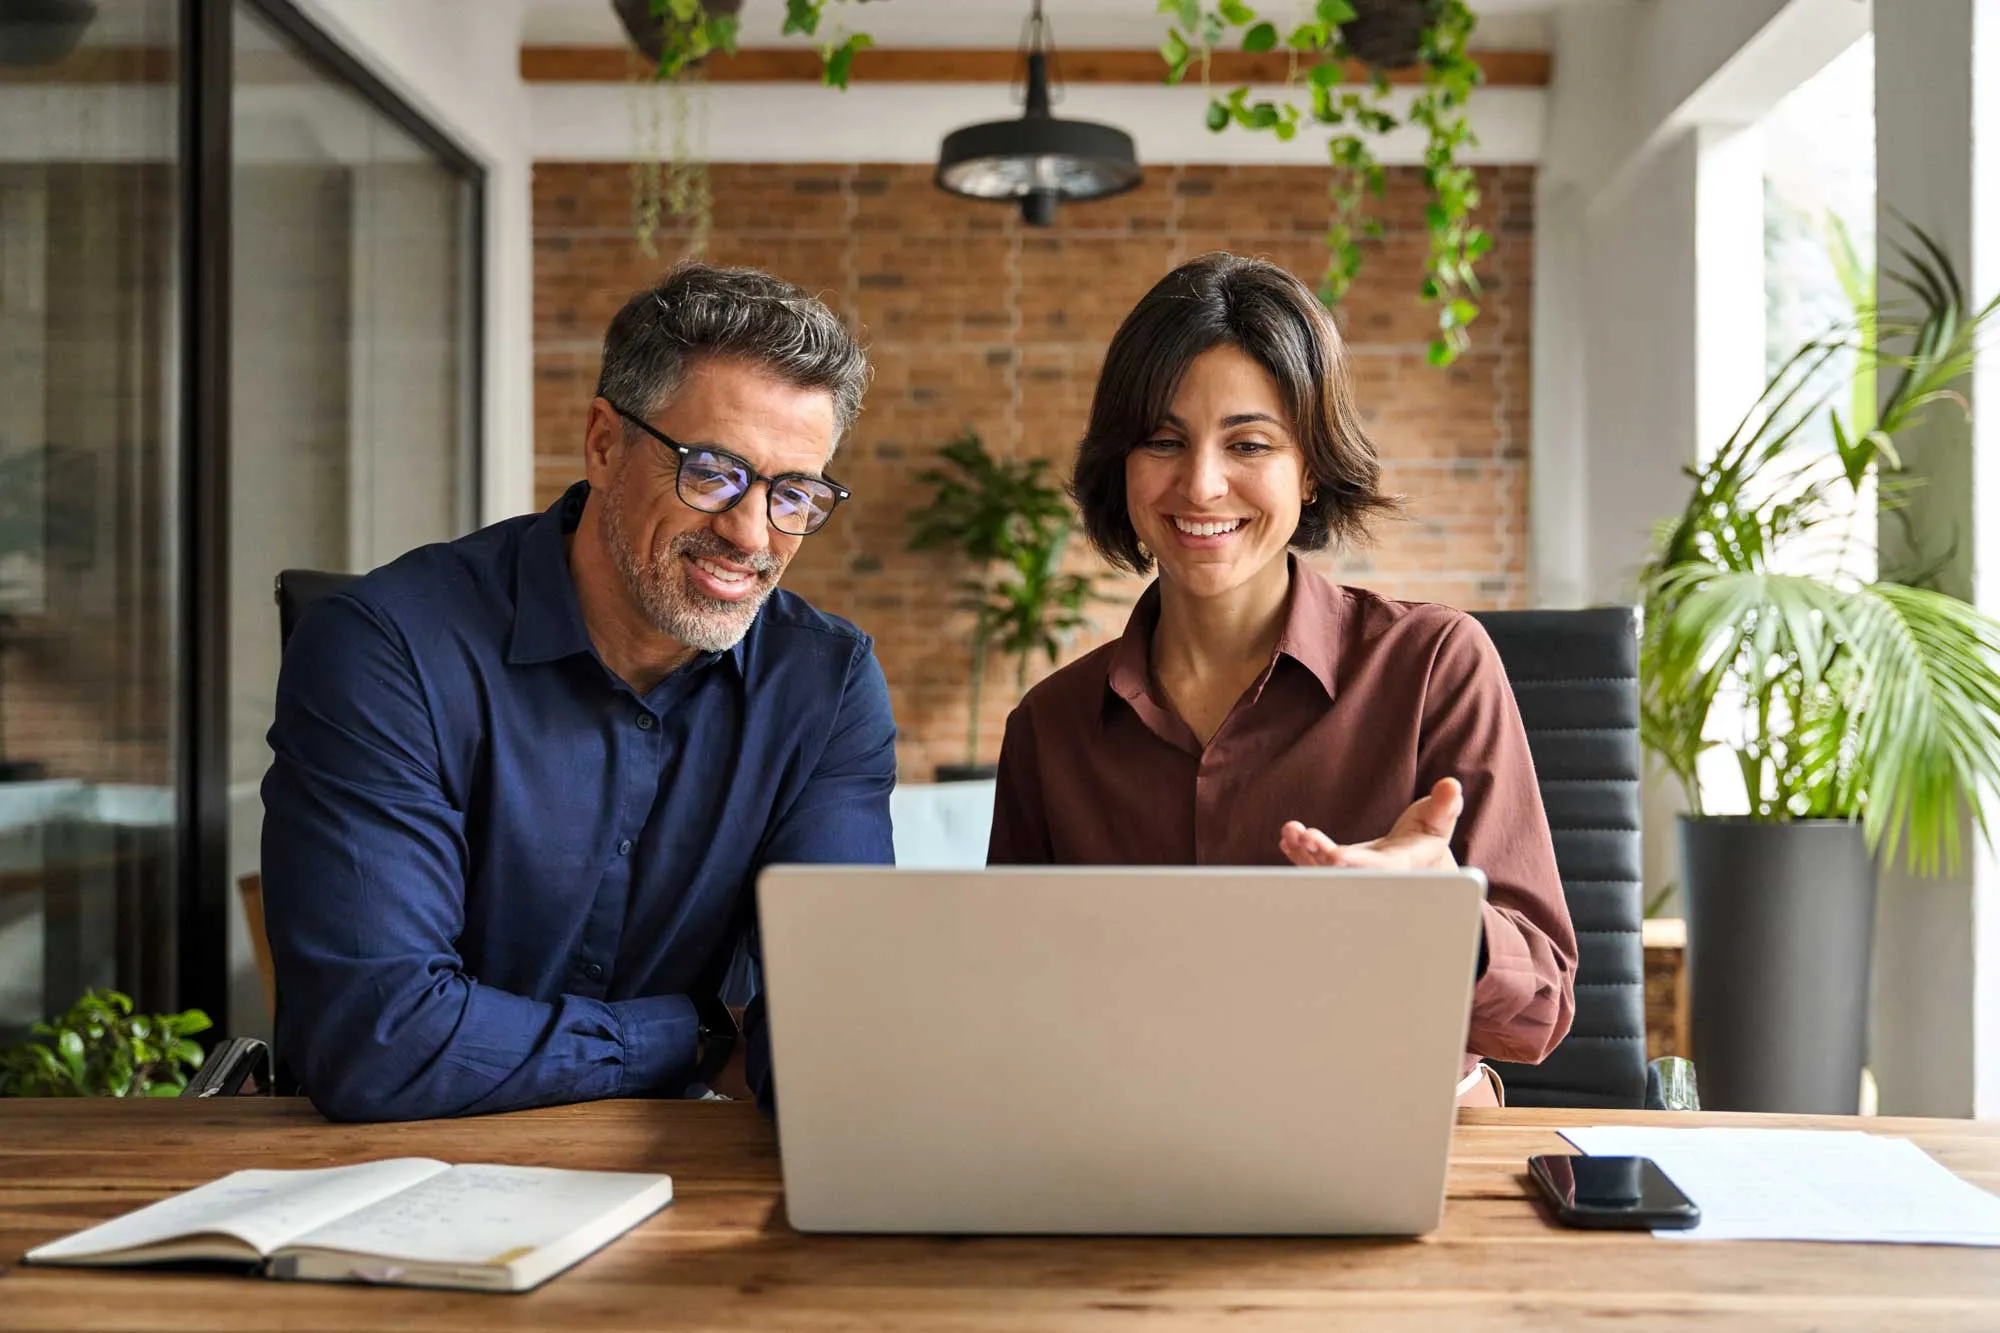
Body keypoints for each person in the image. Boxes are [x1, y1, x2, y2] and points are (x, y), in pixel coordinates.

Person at [261, 263, 895, 1122]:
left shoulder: (824, 684)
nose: (752, 533)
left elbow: (838, 1030)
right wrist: (693, 1037)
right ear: (604, 443)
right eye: (713, 472)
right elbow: (378, 1040)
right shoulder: (387, 649)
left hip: (669, 1181)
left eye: (795, 494)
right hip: (376, 1177)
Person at [987, 252, 1575, 1104]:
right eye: (1163, 440)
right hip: (1129, 1144)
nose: (1200, 483)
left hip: (1389, 1135)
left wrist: (1441, 919)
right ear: (1122, 463)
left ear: (1312, 466)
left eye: (1249, 443)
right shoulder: (1051, 726)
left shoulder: (1436, 665)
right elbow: (1010, 1009)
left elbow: (1539, 1011)